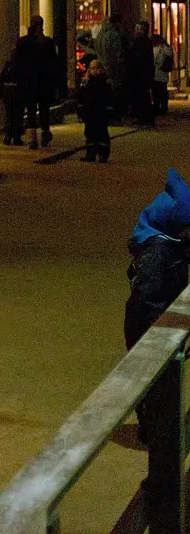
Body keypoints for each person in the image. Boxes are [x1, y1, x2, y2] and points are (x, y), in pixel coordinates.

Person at [125, 169, 190, 440]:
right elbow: (147, 295)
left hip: (157, 320)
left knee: (162, 383)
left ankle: (157, 428)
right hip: (148, 326)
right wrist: (162, 329)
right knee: (151, 382)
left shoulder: (169, 241)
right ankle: (151, 431)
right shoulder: (158, 251)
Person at [11, 16, 60, 148]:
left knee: (31, 109)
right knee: (44, 108)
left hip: (28, 82)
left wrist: (18, 79)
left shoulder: (23, 42)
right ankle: (44, 133)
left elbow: (17, 63)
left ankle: (32, 137)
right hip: (44, 82)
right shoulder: (47, 43)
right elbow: (54, 64)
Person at [78, 60, 113, 164]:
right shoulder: (87, 83)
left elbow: (108, 97)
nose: (95, 71)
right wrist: (81, 110)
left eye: (96, 68)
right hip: (90, 112)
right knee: (89, 134)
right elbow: (82, 96)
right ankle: (90, 154)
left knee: (102, 134)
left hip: (100, 112)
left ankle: (103, 155)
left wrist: (109, 110)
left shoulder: (104, 82)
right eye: (92, 68)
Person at [96, 13, 127, 119]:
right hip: (112, 67)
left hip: (102, 65)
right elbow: (117, 53)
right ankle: (114, 115)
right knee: (114, 91)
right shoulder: (114, 35)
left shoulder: (100, 34)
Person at [128, 21, 156, 128]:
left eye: (138, 29)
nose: (136, 31)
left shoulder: (144, 42)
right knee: (140, 97)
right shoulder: (138, 41)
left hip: (142, 74)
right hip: (139, 74)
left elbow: (144, 59)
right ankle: (142, 118)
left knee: (143, 97)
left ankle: (145, 119)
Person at [0, 56, 21, 145]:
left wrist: (1, 93)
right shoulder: (20, 67)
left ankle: (8, 136)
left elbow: (1, 81)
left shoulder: (6, 68)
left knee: (9, 116)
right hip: (17, 94)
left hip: (7, 94)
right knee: (17, 117)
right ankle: (16, 137)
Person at [152, 34, 174, 116]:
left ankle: (163, 107)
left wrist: (165, 45)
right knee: (156, 91)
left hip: (161, 72)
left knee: (162, 91)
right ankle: (157, 106)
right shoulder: (154, 48)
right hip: (155, 73)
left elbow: (170, 54)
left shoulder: (163, 48)